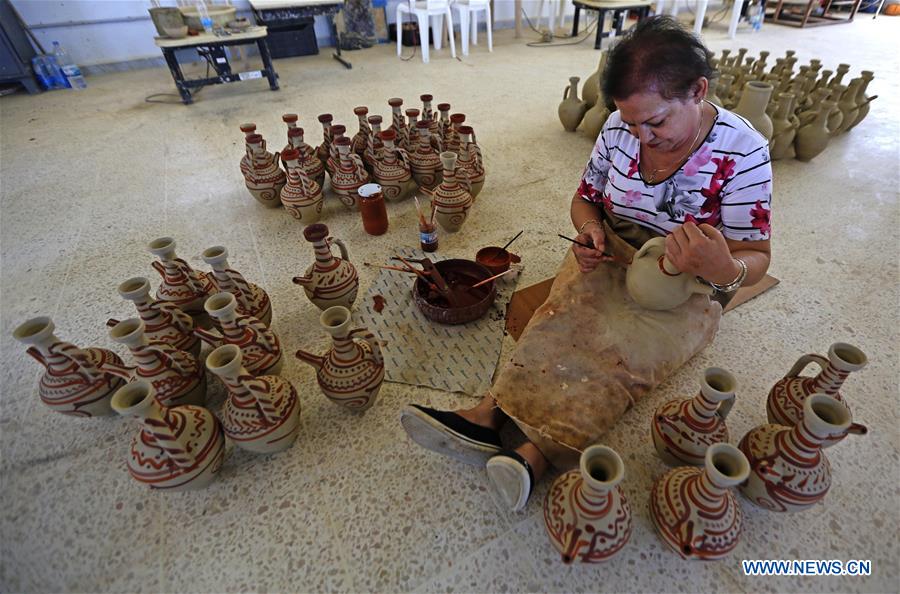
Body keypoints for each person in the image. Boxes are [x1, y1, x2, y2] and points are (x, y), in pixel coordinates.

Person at [400, 16, 772, 512]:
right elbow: (585, 199)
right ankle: (487, 416)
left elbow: (759, 257)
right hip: (611, 252)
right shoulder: (619, 127)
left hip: (683, 283)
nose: (641, 135)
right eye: (631, 122)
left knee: (621, 358)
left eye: (656, 121)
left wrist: (724, 270)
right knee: (561, 322)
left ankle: (535, 456)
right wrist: (589, 230)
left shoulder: (742, 149)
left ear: (697, 91)